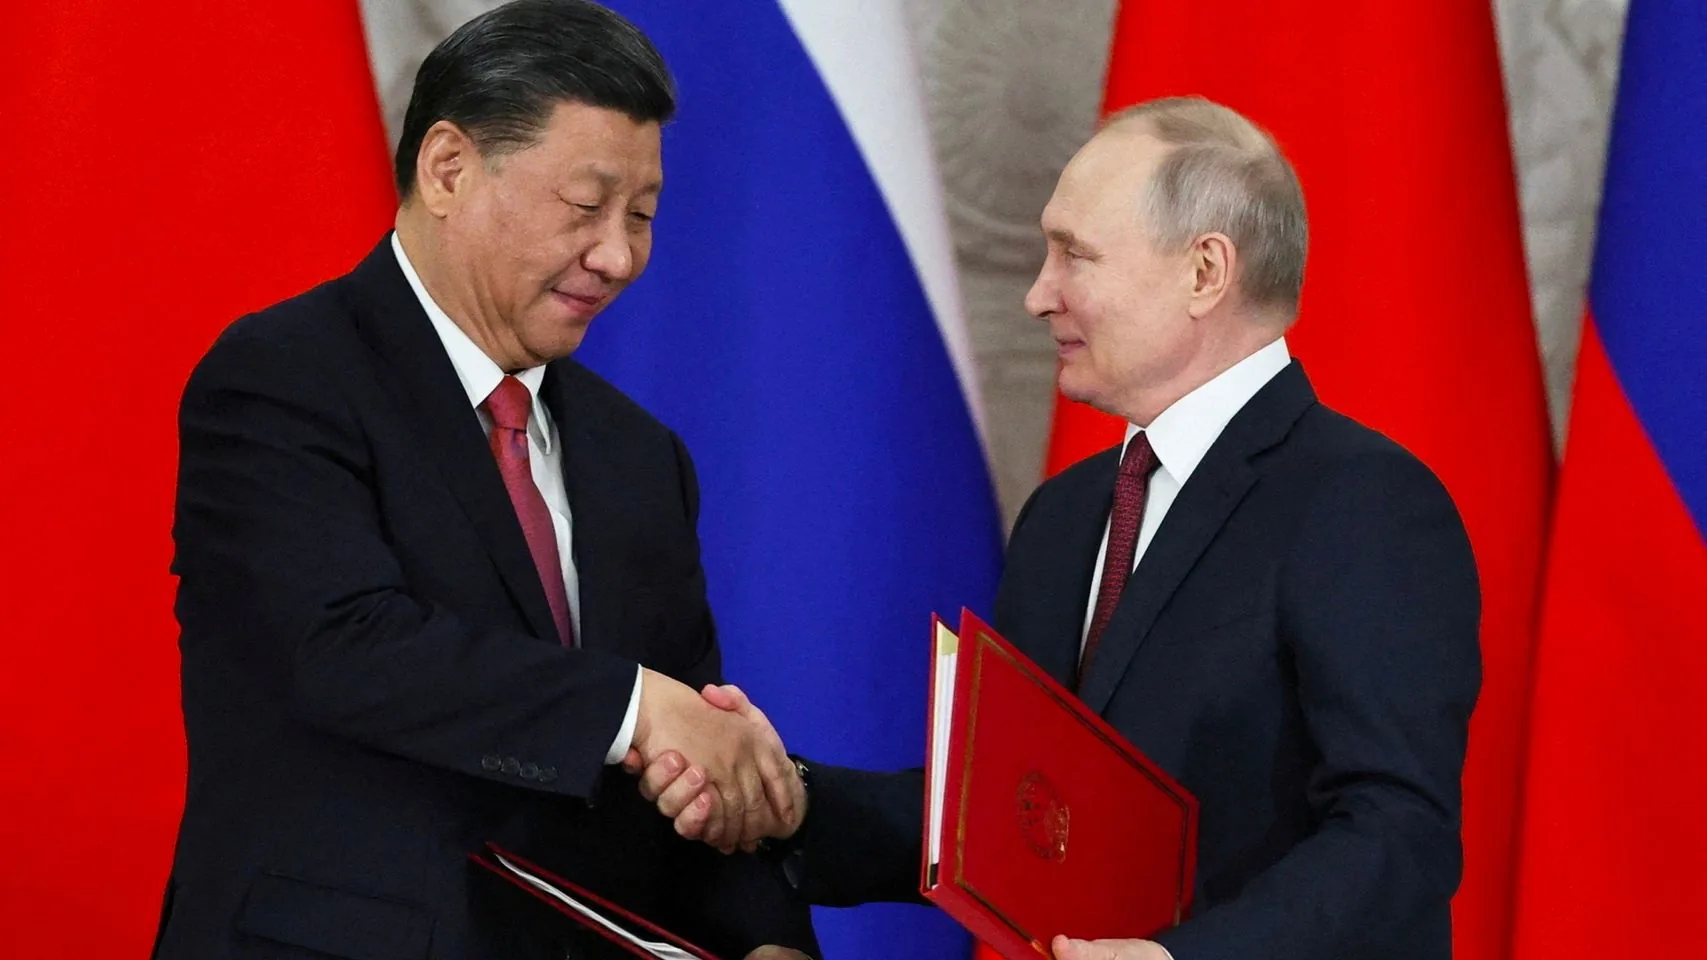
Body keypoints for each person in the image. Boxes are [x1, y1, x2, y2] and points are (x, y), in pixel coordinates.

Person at [639, 96, 1481, 960]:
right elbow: (1012, 820)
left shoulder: (1364, 502)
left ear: (1204, 272)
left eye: (1074, 255)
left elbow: (1397, 832)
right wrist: (794, 799)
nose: (1038, 295)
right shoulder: (1069, 513)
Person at [154, 2, 814, 958]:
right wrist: (632, 708)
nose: (618, 256)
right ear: (449, 167)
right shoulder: (282, 375)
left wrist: (769, 938)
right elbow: (339, 647)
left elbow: (689, 748)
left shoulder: (639, 455)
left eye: (642, 216)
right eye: (585, 208)